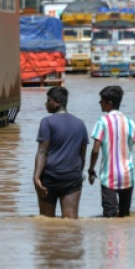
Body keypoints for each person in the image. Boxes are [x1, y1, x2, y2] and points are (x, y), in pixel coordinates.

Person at [88, 86, 135, 217]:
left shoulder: (102, 122)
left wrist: (91, 169)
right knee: (124, 216)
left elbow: (95, 150)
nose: (99, 103)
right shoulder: (130, 122)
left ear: (109, 104)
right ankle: (124, 237)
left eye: (101, 100)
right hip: (127, 177)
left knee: (109, 217)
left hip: (108, 178)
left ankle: (111, 238)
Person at [33, 86, 90, 218]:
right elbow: (82, 154)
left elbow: (42, 152)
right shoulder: (80, 124)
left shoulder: (46, 122)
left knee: (47, 222)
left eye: (48, 100)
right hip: (72, 178)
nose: (46, 103)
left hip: (50, 177)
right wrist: (77, 174)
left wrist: (36, 177)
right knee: (70, 222)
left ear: (57, 102)